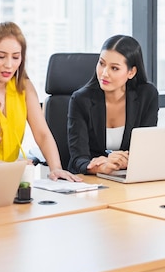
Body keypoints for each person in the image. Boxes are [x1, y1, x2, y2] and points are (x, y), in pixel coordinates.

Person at [0, 21, 80, 182]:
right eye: (1, 56)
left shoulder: (24, 87)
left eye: (15, 57)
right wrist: (7, 168)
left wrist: (56, 168)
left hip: (12, 179)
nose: (9, 65)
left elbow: (42, 135)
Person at [67, 35, 159, 175]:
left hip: (130, 176)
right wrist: (101, 166)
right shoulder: (81, 100)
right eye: (102, 64)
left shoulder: (147, 95)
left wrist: (123, 161)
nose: (104, 73)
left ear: (131, 72)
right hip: (91, 180)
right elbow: (78, 159)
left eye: (114, 68)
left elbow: (145, 148)